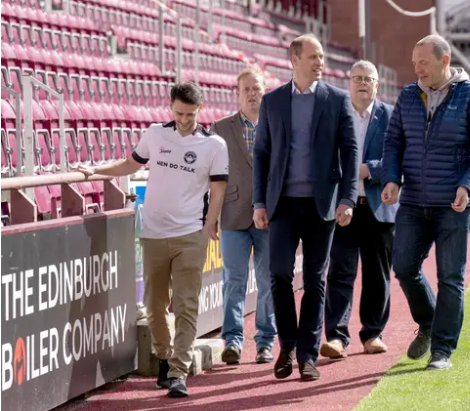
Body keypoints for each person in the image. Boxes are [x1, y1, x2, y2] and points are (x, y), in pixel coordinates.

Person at [77, 82, 228, 397]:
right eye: (179, 113)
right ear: (170, 107)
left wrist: (208, 228)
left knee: (186, 305)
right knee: (155, 305)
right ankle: (163, 355)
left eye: (190, 114)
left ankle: (178, 372)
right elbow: (130, 164)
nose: (184, 119)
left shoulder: (214, 145)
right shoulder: (155, 134)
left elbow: (218, 191)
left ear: (200, 110)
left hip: (191, 235)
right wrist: (95, 170)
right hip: (154, 234)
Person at [381, 34, 470, 370]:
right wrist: (391, 178)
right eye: (414, 63)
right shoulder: (408, 95)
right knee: (403, 266)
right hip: (414, 201)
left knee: (450, 277)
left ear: (444, 61)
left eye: (423, 63)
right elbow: (393, 143)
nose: (417, 69)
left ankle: (443, 350)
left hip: (454, 204)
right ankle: (429, 323)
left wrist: (467, 185)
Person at [252, 34, 358, 381]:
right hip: (281, 204)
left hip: (321, 206)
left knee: (315, 279)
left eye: (323, 56)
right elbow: (262, 155)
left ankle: (308, 355)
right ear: (294, 59)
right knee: (279, 274)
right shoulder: (273, 101)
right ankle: (288, 345)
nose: (320, 62)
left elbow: (350, 151)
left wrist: (347, 198)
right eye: (313, 56)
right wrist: (258, 202)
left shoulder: (337, 100)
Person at [320, 60, 397, 359]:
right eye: (357, 78)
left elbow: (397, 158)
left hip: (379, 207)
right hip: (343, 206)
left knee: (378, 274)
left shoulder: (390, 116)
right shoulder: (334, 115)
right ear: (348, 83)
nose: (363, 83)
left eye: (369, 79)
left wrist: (367, 170)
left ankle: (373, 333)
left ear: (377, 85)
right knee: (340, 272)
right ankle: (337, 337)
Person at [210, 67, 276, 365]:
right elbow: (211, 178)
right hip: (233, 216)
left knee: (268, 281)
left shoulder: (278, 126)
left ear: (265, 92)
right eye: (246, 89)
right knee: (233, 281)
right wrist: (209, 217)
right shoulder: (220, 129)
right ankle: (233, 342)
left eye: (257, 88)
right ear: (237, 94)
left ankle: (265, 342)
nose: (252, 94)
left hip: (270, 218)